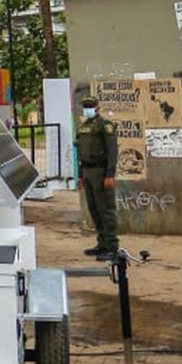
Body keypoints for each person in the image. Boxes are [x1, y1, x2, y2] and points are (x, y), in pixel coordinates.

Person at [76, 96, 118, 261]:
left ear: (97, 107)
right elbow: (81, 154)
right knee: (94, 210)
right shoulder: (84, 127)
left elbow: (112, 152)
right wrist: (80, 175)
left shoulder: (105, 126)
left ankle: (112, 247)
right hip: (87, 172)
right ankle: (102, 244)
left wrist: (109, 175)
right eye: (86, 106)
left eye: (91, 106)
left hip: (101, 172)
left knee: (106, 210)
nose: (88, 109)